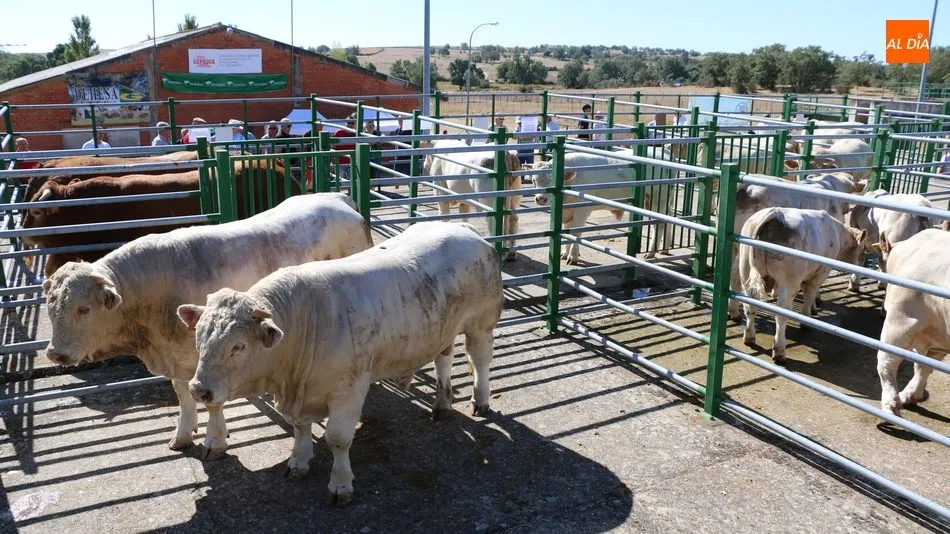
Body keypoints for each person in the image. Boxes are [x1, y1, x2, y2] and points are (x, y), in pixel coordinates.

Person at [332, 114, 358, 186]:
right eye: (348, 122)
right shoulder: (338, 133)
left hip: (352, 161)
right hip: (340, 161)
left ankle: (352, 195)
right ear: (345, 123)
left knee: (352, 180)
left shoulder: (356, 134)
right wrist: (332, 160)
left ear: (355, 124)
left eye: (352, 123)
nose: (350, 124)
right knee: (338, 179)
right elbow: (333, 147)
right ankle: (335, 193)